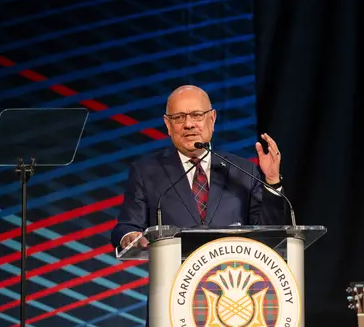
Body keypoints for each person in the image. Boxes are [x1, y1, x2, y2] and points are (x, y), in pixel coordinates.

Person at [111, 85, 287, 251]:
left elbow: (269, 235)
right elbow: (127, 226)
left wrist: (272, 181)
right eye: (179, 117)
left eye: (196, 115)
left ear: (212, 118)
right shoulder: (146, 172)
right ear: (167, 124)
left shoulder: (243, 171)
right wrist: (130, 236)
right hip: (173, 280)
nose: (188, 124)